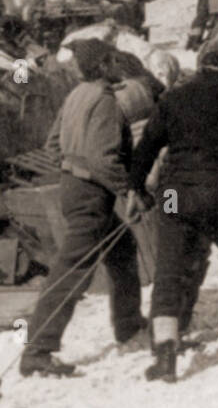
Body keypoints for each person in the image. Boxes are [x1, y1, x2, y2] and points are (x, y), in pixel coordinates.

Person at [129, 42, 218, 381]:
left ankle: (165, 357)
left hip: (174, 195)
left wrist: (135, 187)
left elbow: (147, 144)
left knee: (168, 273)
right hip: (215, 191)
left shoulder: (173, 96)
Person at [19, 39, 146, 378]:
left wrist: (71, 166)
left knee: (122, 249)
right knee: (72, 269)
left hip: (73, 188)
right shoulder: (104, 101)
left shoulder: (76, 95)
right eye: (113, 60)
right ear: (103, 65)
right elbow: (102, 158)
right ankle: (37, 350)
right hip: (92, 192)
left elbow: (52, 144)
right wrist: (127, 191)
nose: (118, 65)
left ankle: (129, 324)